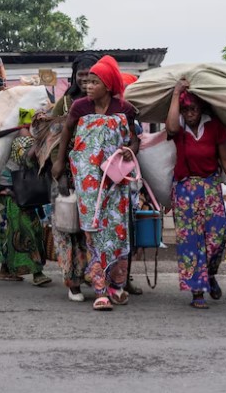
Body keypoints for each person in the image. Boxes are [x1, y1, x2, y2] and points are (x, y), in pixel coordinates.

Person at [52, 55, 142, 311]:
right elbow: (67, 132)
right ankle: (100, 289)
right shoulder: (79, 107)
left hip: (116, 180)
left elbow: (135, 139)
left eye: (94, 82)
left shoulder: (124, 109)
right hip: (88, 180)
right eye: (87, 81)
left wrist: (129, 150)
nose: (88, 86)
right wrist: (59, 163)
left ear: (109, 85)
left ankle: (116, 286)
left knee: (117, 230)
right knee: (93, 230)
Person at [165, 80, 226, 309]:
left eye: (192, 109)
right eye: (185, 109)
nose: (189, 113)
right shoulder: (179, 128)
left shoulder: (214, 127)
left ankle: (210, 275)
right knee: (191, 242)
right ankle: (197, 292)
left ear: (201, 108)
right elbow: (172, 127)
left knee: (217, 237)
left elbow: (225, 160)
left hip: (210, 187)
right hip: (185, 190)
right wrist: (176, 93)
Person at [48, 52, 99, 301]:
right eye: (81, 76)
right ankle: (73, 282)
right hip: (66, 175)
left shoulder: (103, 104)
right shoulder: (66, 104)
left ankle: (94, 274)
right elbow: (55, 139)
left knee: (89, 230)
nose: (85, 82)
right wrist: (60, 170)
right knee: (67, 230)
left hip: (93, 177)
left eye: (90, 77)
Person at [0, 127, 52, 285]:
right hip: (11, 193)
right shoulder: (20, 133)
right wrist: (40, 141)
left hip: (10, 191)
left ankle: (6, 269)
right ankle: (37, 273)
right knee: (26, 231)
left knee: (9, 232)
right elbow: (24, 158)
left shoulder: (6, 131)